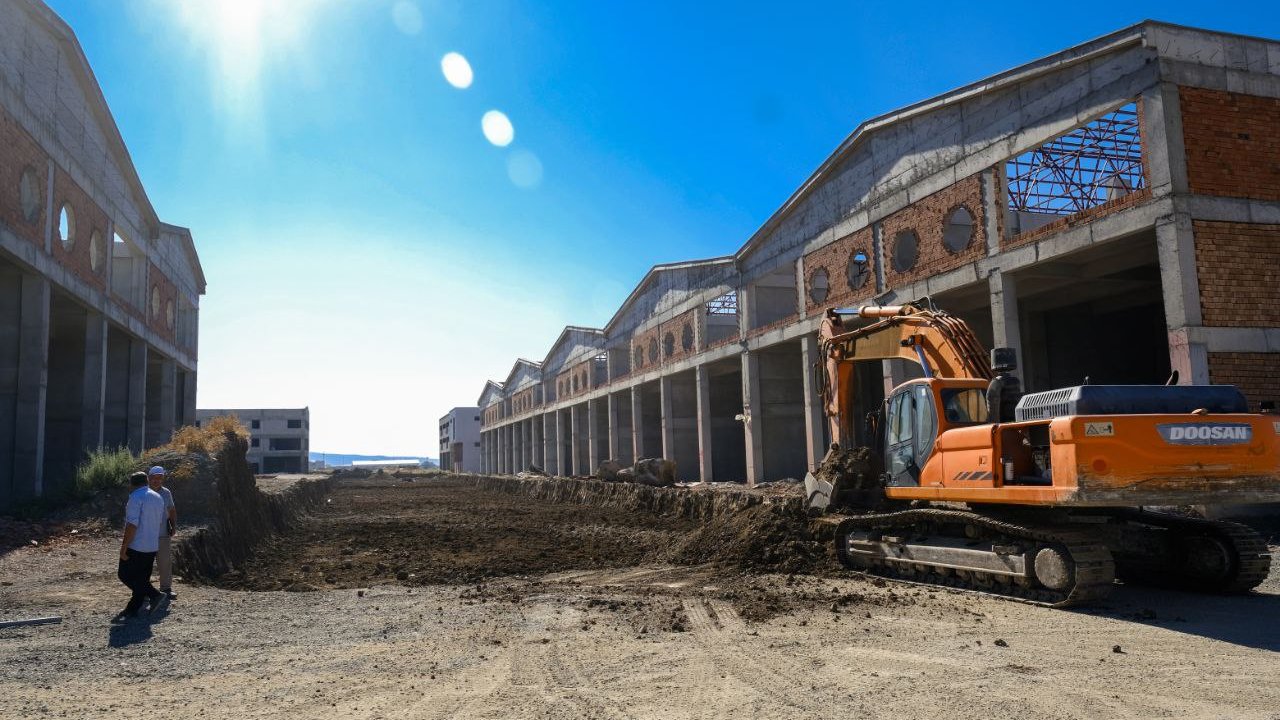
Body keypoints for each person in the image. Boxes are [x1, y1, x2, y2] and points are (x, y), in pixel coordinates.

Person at [114, 471, 166, 621]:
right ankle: (132, 609)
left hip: (137, 545)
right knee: (142, 578)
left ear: (132, 484)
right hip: (152, 544)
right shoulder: (158, 497)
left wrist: (124, 546)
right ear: (146, 481)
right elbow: (160, 521)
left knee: (125, 575)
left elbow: (132, 525)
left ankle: (155, 595)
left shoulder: (135, 498)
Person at [148, 465, 178, 600]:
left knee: (165, 562)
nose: (157, 480)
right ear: (149, 478)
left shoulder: (166, 493)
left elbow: (171, 510)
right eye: (155, 478)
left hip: (163, 533)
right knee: (145, 564)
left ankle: (166, 588)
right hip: (146, 535)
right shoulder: (144, 492)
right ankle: (143, 591)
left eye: (160, 478)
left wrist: (173, 526)